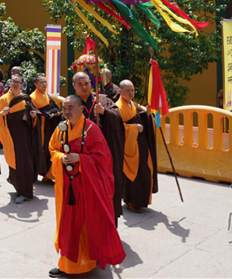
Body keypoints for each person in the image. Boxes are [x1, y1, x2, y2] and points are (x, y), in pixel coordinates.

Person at [48, 95, 126, 277]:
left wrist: (80, 158)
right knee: (66, 224)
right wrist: (61, 157)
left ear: (81, 109)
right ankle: (67, 263)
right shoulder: (61, 128)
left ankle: (88, 261)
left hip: (87, 186)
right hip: (66, 186)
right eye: (64, 108)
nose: (66, 112)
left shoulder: (92, 129)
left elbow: (104, 158)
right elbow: (53, 149)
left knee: (85, 224)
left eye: (70, 108)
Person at [71, 71, 125, 223]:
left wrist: (104, 112)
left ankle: (108, 225)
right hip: (81, 156)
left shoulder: (102, 100)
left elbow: (118, 118)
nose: (84, 87)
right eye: (80, 84)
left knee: (106, 189)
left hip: (102, 156)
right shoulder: (71, 103)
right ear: (74, 86)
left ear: (91, 83)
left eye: (86, 83)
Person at [0, 74, 39, 203]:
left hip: (25, 136)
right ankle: (20, 189)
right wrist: (3, 113)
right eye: (13, 81)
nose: (15, 84)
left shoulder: (25, 99)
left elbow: (32, 116)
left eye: (18, 82)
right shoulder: (3, 99)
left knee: (25, 162)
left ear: (22, 84)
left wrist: (33, 116)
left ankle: (25, 190)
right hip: (11, 136)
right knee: (14, 161)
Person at [116, 80, 158, 213]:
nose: (131, 93)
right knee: (133, 173)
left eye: (132, 90)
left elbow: (140, 118)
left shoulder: (133, 105)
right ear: (120, 91)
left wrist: (147, 114)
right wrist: (134, 128)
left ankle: (141, 200)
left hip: (140, 144)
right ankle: (131, 201)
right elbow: (117, 128)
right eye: (128, 90)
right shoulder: (117, 107)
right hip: (130, 146)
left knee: (145, 170)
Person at [30, 75, 62, 182]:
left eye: (45, 82)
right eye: (41, 82)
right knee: (41, 150)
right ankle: (37, 174)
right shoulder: (32, 97)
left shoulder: (47, 95)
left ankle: (47, 175)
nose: (44, 84)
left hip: (49, 127)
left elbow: (53, 107)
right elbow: (33, 112)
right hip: (40, 129)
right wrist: (45, 114)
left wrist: (56, 113)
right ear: (36, 84)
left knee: (49, 149)